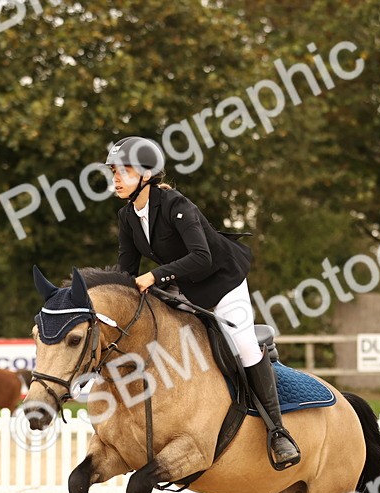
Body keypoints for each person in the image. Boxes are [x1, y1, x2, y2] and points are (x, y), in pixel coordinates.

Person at [106, 136, 299, 470]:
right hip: (181, 288)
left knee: (244, 345)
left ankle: (278, 433)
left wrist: (153, 277)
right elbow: (127, 270)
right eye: (113, 171)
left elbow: (201, 256)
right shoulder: (127, 216)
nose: (116, 178)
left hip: (222, 283)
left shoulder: (176, 205)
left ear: (147, 174)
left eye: (124, 170)